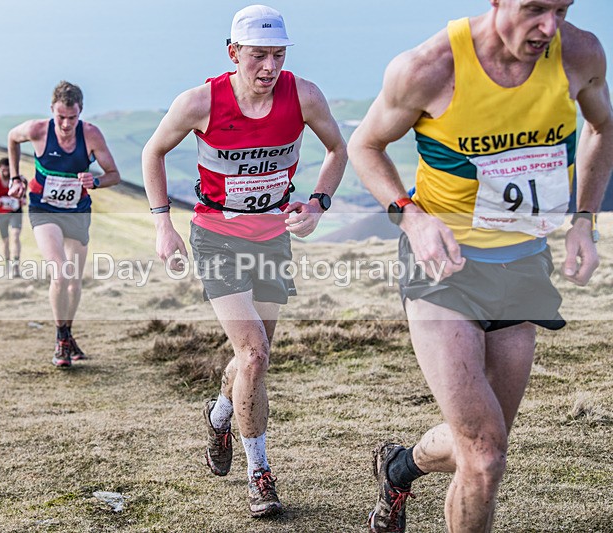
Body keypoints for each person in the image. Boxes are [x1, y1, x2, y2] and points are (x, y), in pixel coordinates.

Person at [347, 1, 613, 531]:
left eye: (560, 9)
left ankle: (399, 469)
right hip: (445, 269)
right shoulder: (430, 67)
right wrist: (413, 218)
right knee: (486, 457)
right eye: (535, 9)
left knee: (484, 443)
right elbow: (366, 145)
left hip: (522, 266)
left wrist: (584, 219)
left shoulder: (579, 53)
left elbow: (602, 128)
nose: (548, 27)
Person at [142, 5, 347, 518]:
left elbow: (338, 150)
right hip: (216, 236)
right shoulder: (199, 102)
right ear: (233, 53)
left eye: (278, 55)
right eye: (258, 56)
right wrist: (163, 224)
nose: (269, 67)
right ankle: (259, 474)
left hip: (273, 237)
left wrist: (318, 204)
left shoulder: (303, 95)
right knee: (253, 354)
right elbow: (153, 152)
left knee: (254, 357)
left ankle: (218, 415)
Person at [7, 80, 121, 368]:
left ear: (80, 112)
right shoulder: (37, 130)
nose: (67, 124)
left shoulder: (91, 135)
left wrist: (94, 181)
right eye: (61, 117)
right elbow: (11, 138)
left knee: (74, 282)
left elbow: (113, 175)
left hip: (77, 212)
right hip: (43, 208)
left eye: (72, 118)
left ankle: (67, 333)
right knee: (59, 272)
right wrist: (14, 177)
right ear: (51, 111)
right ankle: (61, 339)